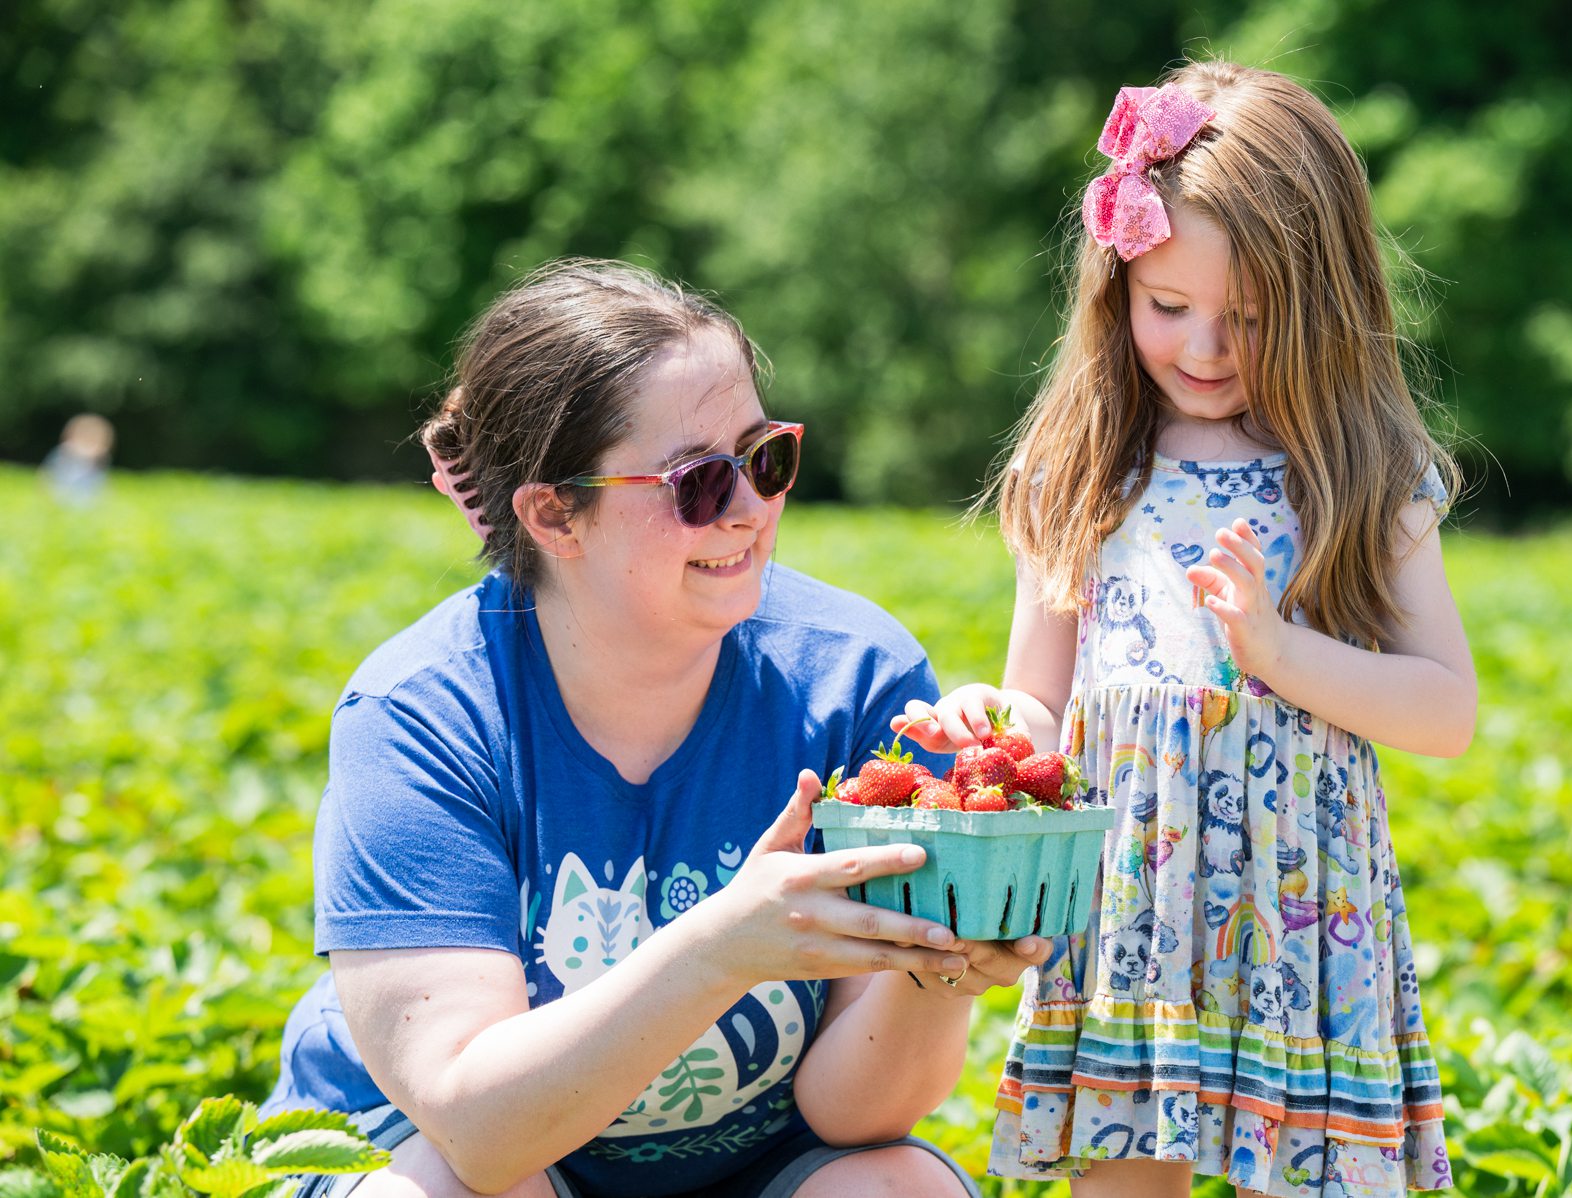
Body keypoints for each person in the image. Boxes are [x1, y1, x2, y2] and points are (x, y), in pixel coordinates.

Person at [262, 259, 1050, 1198]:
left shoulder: (854, 676)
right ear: (555, 515)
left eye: (765, 459)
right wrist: (724, 948)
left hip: (739, 1163)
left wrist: (936, 966)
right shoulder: (423, 717)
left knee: (894, 1190)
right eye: (699, 483)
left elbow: (856, 1118)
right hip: (444, 1153)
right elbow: (480, 1133)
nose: (751, 511)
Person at [891, 61, 1473, 1197]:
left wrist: (1280, 653)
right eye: (1168, 308)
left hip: (1304, 926)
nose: (1203, 348)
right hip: (1129, 917)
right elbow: (1040, 704)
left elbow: (1444, 710)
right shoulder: (1082, 466)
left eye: (1247, 319)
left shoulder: (1361, 471)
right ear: (1117, 286)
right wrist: (986, 734)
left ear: (1324, 303)